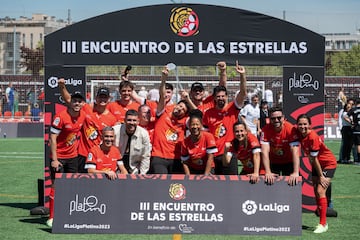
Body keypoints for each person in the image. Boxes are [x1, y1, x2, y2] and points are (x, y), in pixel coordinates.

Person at [59, 79, 117, 173]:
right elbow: (69, 100)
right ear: (96, 98)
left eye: (105, 97)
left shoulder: (112, 119)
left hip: (98, 155)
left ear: (109, 99)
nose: (102, 100)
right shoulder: (87, 108)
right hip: (83, 154)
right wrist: (62, 86)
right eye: (100, 97)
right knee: (79, 183)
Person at [47, 91, 86, 228]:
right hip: (59, 157)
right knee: (56, 185)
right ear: (70, 102)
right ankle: (52, 217)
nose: (77, 103)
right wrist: (55, 159)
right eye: (74, 101)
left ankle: (69, 214)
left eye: (79, 101)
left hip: (73, 157)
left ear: (83, 103)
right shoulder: (61, 117)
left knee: (72, 186)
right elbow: (52, 138)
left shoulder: (83, 115)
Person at [203, 61, 247, 175]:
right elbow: (205, 135)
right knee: (212, 187)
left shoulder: (233, 108)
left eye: (223, 96)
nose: (221, 98)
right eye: (218, 97)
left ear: (227, 97)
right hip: (212, 155)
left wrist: (242, 75)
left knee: (231, 186)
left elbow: (243, 93)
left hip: (229, 153)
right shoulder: (208, 113)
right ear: (214, 99)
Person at [296, 114, 337, 233]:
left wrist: (321, 176)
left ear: (310, 125)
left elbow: (314, 159)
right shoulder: (299, 134)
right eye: (300, 124)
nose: (302, 126)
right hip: (316, 164)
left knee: (320, 190)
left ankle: (323, 224)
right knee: (315, 190)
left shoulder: (313, 137)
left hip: (328, 163)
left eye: (305, 124)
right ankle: (321, 213)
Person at [150, 66, 190, 174]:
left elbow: (198, 115)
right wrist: (164, 78)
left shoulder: (185, 121)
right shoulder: (163, 111)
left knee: (176, 188)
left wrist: (188, 99)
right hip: (159, 157)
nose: (180, 109)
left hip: (176, 158)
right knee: (162, 185)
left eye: (183, 109)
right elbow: (162, 96)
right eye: (179, 106)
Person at [260, 106, 300, 186]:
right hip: (273, 161)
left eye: (279, 118)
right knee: (268, 183)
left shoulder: (290, 129)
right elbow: (264, 152)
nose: (276, 120)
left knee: (292, 184)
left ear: (283, 118)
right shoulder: (265, 130)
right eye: (273, 118)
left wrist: (295, 172)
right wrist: (268, 172)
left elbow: (295, 151)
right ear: (269, 119)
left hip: (288, 161)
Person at [113, 109, 151, 174]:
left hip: (134, 168)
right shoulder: (115, 130)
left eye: (134, 120)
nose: (132, 123)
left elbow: (145, 156)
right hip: (115, 167)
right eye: (129, 120)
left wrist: (142, 175)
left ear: (138, 121)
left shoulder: (144, 134)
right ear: (124, 121)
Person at [181, 109, 218, 175]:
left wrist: (205, 175)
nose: (195, 127)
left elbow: (210, 158)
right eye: (192, 124)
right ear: (189, 126)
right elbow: (185, 162)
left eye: (197, 124)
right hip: (194, 169)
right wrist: (188, 177)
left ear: (201, 125)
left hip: (208, 168)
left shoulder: (208, 136)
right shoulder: (185, 142)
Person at [345, 98, 360, 164]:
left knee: (358, 145)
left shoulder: (353, 109)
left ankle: (359, 160)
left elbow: (345, 116)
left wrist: (351, 122)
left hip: (357, 129)